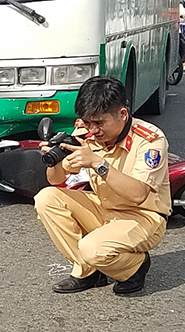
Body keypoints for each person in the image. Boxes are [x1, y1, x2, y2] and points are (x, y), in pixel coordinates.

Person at [34, 76, 169, 296]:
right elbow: (55, 179)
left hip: (143, 215)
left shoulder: (150, 140)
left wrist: (98, 163)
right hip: (105, 207)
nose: (93, 130)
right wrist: (54, 158)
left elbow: (138, 195)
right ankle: (88, 271)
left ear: (122, 115)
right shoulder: (86, 132)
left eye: (99, 123)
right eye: (87, 122)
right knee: (46, 198)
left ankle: (134, 267)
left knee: (92, 248)